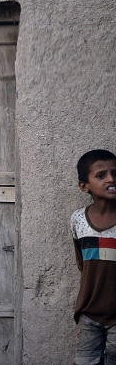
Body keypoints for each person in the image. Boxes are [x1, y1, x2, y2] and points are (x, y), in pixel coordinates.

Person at [71, 149, 116, 365]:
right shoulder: (78, 219)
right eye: (101, 175)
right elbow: (84, 264)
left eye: (115, 173)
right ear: (84, 186)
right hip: (89, 314)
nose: (110, 179)